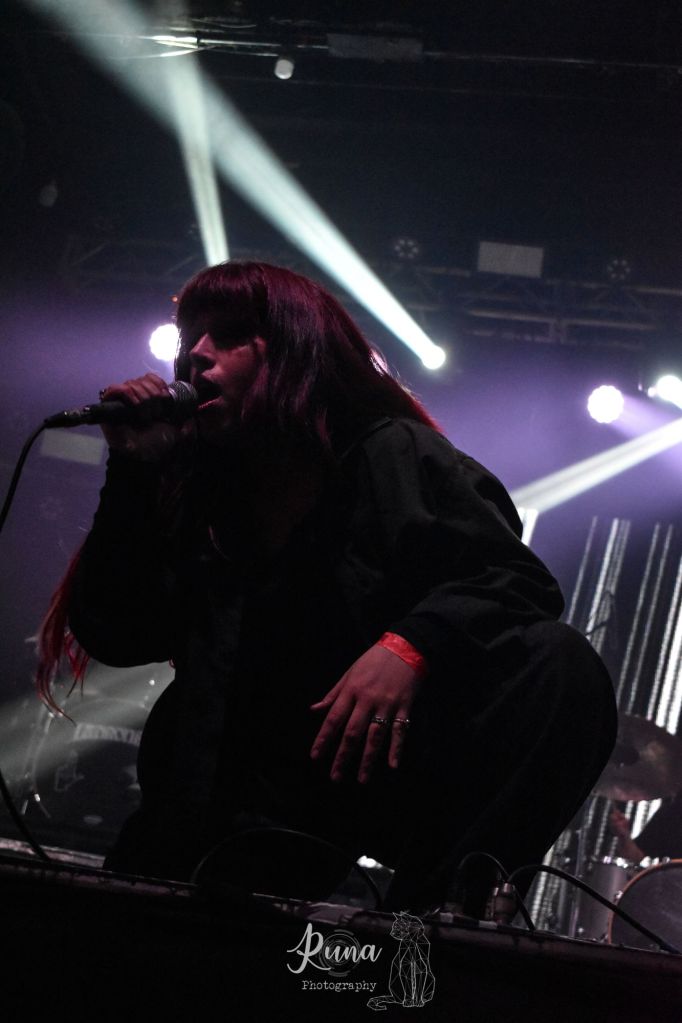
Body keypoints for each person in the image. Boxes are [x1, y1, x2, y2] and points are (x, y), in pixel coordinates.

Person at [37, 261, 617, 915]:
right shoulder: (200, 484)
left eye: (230, 333)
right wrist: (132, 472)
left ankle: (447, 919)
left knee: (562, 665)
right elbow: (116, 630)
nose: (196, 353)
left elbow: (514, 578)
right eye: (191, 336)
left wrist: (410, 647)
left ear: (295, 349)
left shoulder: (395, 455)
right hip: (235, 790)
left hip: (383, 758)